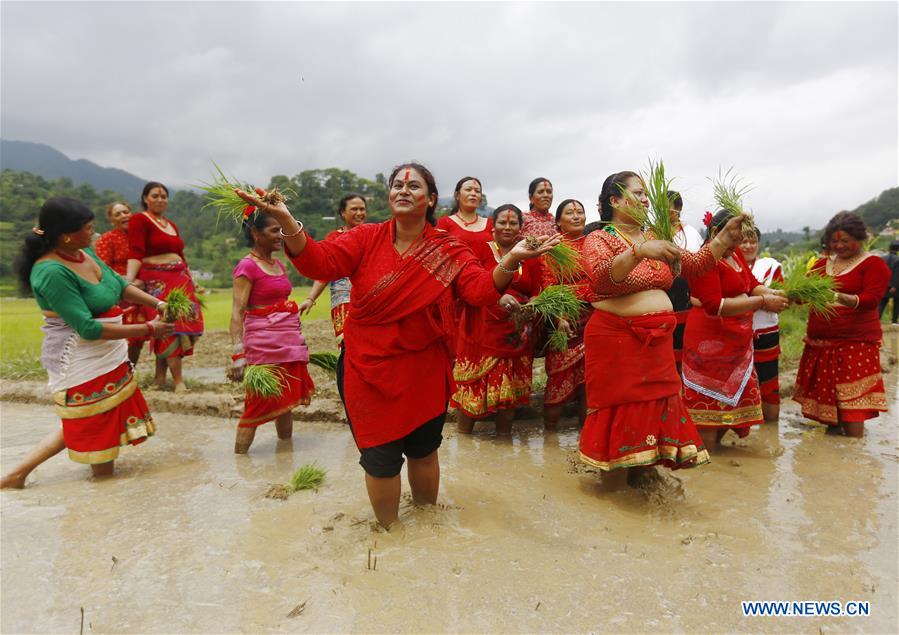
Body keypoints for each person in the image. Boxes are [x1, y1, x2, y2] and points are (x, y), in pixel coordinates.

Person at [235, 162, 559, 528]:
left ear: (431, 199)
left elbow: (480, 291)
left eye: (414, 186)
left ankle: (426, 529)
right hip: (367, 369)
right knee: (380, 460)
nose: (403, 190)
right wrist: (286, 219)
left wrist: (512, 258)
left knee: (424, 451)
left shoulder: (447, 250)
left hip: (424, 370)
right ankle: (390, 535)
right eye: (397, 185)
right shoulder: (365, 238)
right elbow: (318, 263)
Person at [578, 173, 746, 483]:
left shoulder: (653, 236)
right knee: (622, 416)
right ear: (614, 201)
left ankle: (643, 489)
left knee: (653, 417)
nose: (646, 200)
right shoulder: (599, 239)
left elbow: (693, 265)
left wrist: (723, 239)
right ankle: (613, 492)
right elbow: (602, 279)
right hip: (617, 342)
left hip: (657, 346)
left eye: (646, 194)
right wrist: (638, 252)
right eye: (638, 193)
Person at [1, 198, 174, 489]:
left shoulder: (84, 253)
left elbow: (118, 285)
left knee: (88, 419)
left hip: (108, 351)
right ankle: (103, 495)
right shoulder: (51, 272)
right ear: (66, 235)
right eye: (88, 228)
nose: (94, 233)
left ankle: (17, 474)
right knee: (95, 423)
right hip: (81, 356)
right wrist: (148, 329)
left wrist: (158, 303)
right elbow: (87, 328)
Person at [682, 212, 789, 448]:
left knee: (726, 410)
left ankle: (716, 455)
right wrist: (762, 302)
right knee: (707, 412)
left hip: (736, 342)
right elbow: (715, 305)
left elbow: (752, 284)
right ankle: (707, 458)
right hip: (710, 342)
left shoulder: (734, 253)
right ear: (716, 233)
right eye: (734, 239)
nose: (738, 245)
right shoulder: (705, 259)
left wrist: (772, 294)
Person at [793, 212, 890, 437]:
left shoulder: (873, 264)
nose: (838, 245)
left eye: (845, 240)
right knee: (830, 398)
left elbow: (870, 300)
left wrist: (836, 296)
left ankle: (854, 448)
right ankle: (835, 443)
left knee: (852, 403)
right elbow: (805, 297)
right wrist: (793, 294)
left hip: (855, 343)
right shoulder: (821, 265)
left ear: (859, 238)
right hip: (820, 344)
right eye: (834, 241)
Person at [450, 204, 542, 435]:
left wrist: (532, 305)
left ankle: (503, 441)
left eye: (513, 223)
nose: (507, 227)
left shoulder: (531, 255)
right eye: (502, 222)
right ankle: (463, 439)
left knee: (508, 395)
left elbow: (537, 289)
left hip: (516, 332)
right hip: (481, 330)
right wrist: (497, 296)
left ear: (521, 227)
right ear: (493, 226)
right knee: (472, 392)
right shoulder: (478, 250)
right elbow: (469, 285)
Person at [228, 209, 315, 454]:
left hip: (287, 344)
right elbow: (237, 311)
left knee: (286, 404)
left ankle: (285, 458)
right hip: (262, 347)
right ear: (257, 233)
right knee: (254, 408)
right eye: (274, 230)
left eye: (281, 230)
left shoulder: (278, 265)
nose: (280, 235)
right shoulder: (247, 266)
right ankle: (240, 460)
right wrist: (238, 353)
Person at [126, 181, 204, 392]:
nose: (160, 199)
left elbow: (181, 255)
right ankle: (179, 381)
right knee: (167, 325)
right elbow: (135, 251)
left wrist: (191, 279)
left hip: (180, 279)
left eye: (163, 196)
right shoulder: (139, 220)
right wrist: (129, 281)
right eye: (155, 196)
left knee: (184, 325)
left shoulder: (171, 225)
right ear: (145, 199)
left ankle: (159, 378)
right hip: (157, 281)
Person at [542, 198, 591, 429]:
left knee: (589, 381)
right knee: (557, 379)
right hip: (564, 320)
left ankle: (586, 436)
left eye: (580, 212)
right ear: (558, 221)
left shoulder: (594, 244)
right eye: (570, 213)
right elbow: (549, 286)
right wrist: (559, 318)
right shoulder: (553, 248)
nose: (576, 216)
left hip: (593, 318)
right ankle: (549, 436)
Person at [300, 194, 368, 344]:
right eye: (354, 209)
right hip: (343, 300)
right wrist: (311, 299)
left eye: (362, 209)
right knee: (348, 344)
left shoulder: (373, 235)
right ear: (343, 213)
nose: (359, 213)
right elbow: (324, 272)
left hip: (369, 300)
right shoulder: (334, 238)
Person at [739, 227, 784, 423]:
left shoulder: (771, 266)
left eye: (753, 242)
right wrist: (764, 301)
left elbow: (781, 301)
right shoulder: (729, 265)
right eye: (743, 241)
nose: (748, 246)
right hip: (735, 334)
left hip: (765, 333)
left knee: (769, 383)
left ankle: (771, 428)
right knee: (736, 384)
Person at [95, 201, 146, 365]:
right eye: (118, 214)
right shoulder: (106, 240)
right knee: (123, 337)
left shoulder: (141, 237)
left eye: (126, 212)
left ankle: (130, 371)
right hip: (119, 295)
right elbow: (102, 270)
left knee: (138, 338)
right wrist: (126, 282)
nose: (123, 216)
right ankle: (118, 371)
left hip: (144, 293)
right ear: (111, 220)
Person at [666, 192, 704, 373]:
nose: (665, 210)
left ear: (679, 208)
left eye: (669, 206)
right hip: (664, 297)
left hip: (687, 297)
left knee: (687, 350)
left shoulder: (691, 233)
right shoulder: (652, 233)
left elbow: (699, 264)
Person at [436, 176, 493, 244]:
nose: (473, 194)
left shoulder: (491, 224)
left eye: (477, 191)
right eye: (468, 190)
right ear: (457, 195)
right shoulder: (444, 223)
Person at [878, 241, 899, 324]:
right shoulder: (898, 259)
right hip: (895, 286)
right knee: (897, 303)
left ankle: (877, 320)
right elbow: (897, 274)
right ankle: (894, 321)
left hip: (883, 285)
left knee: (882, 303)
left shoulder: (882, 258)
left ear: (889, 248)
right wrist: (894, 286)